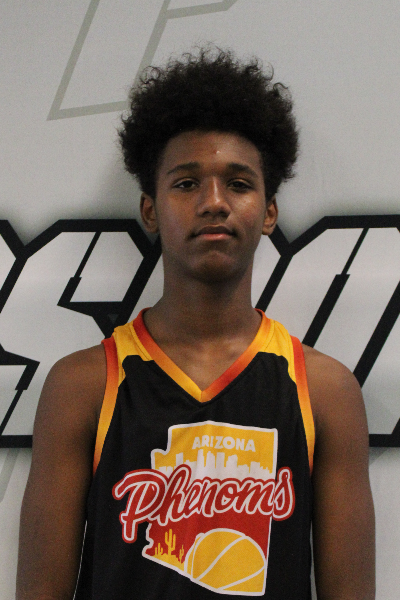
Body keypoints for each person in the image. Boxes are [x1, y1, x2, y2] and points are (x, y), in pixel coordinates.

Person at [17, 48, 375, 599]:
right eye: (186, 183)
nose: (213, 202)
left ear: (269, 211)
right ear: (150, 209)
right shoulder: (83, 385)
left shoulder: (325, 390)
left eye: (239, 183)